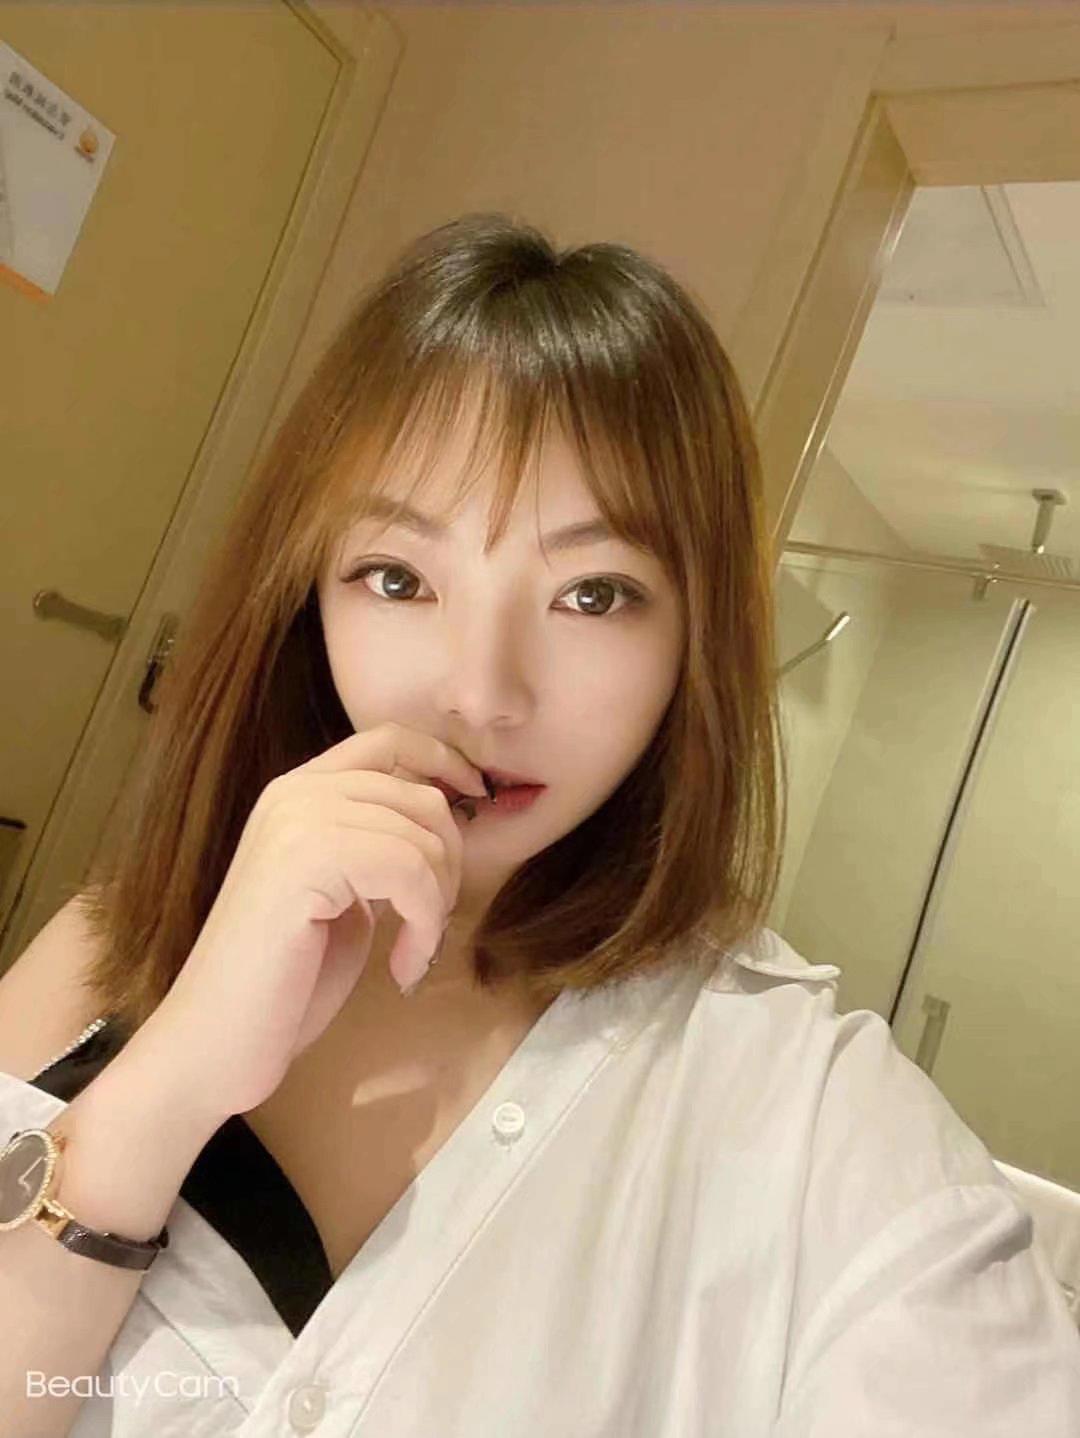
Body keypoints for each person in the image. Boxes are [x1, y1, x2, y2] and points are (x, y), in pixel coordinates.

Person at [1, 212, 1078, 1437]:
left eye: (593, 595)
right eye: (399, 578)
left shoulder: (811, 1113)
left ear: (695, 641)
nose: (481, 691)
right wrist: (171, 1081)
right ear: (307, 598)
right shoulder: (113, 941)